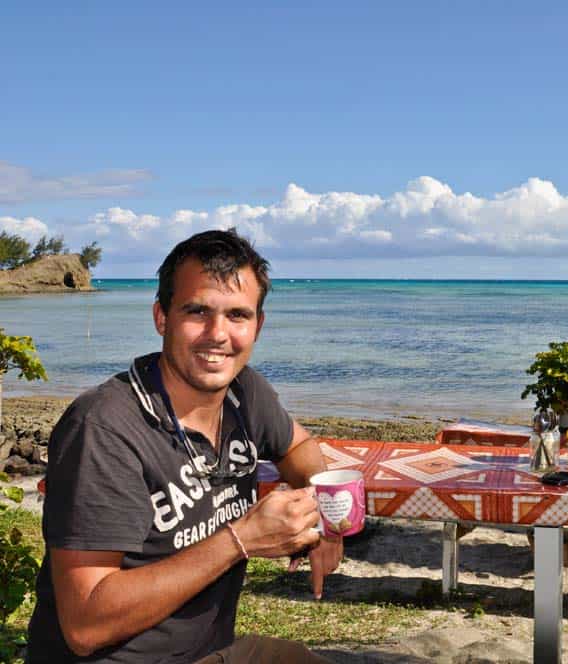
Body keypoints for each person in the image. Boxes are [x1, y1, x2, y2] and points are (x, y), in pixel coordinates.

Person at [28, 229, 341, 663]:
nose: (218, 334)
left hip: (210, 651)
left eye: (237, 315)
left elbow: (297, 446)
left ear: (258, 326)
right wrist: (242, 539)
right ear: (162, 317)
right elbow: (84, 625)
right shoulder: (104, 428)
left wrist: (323, 510)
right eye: (197, 311)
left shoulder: (244, 394)